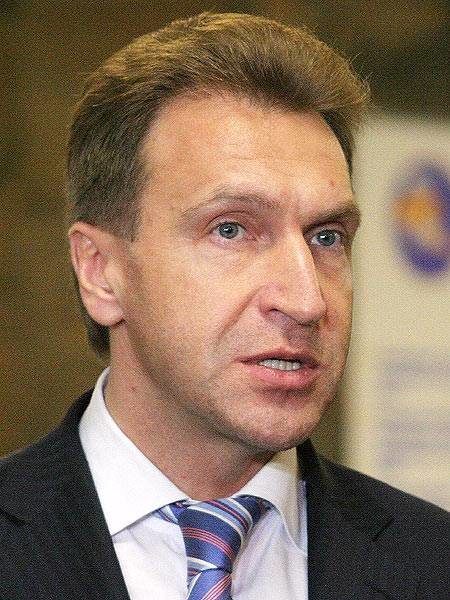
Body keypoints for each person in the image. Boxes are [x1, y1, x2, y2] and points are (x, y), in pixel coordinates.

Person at [0, 12, 448, 600]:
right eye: (231, 229)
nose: (307, 299)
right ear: (101, 272)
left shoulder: (431, 564)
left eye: (326, 237)